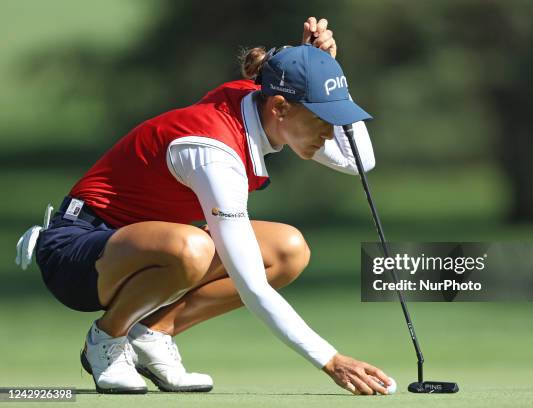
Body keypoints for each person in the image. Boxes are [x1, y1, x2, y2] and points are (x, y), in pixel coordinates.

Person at [16, 17, 392, 395]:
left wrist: (322, 70)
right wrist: (329, 359)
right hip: (77, 252)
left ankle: (153, 335)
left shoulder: (258, 100)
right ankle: (106, 341)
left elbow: (357, 159)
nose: (330, 133)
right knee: (193, 249)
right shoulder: (213, 152)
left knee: (287, 250)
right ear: (279, 108)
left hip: (145, 247)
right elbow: (251, 286)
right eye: (322, 120)